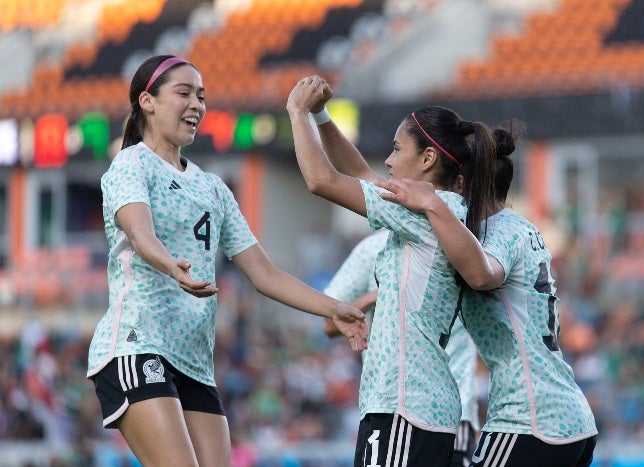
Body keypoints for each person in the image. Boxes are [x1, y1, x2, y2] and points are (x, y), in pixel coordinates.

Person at [86, 55, 368, 467]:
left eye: (201, 96)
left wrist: (335, 308)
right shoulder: (131, 163)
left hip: (195, 364)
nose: (197, 105)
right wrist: (171, 266)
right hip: (136, 346)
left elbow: (265, 274)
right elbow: (140, 233)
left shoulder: (213, 188)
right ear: (147, 101)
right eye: (183, 93)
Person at [287, 75, 495, 466]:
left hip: (403, 405)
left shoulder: (422, 212)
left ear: (427, 159)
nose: (388, 159)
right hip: (427, 408)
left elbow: (322, 180)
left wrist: (297, 112)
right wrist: (322, 116)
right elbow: (363, 175)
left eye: (397, 149)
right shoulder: (441, 211)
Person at [376, 125, 598, 466]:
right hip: (570, 419)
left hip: (528, 421)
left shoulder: (495, 232)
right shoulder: (522, 228)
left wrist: (433, 205)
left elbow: (482, 275)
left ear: (462, 184)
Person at [323, 229, 480, 465]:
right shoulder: (373, 248)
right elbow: (329, 323)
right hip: (395, 406)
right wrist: (371, 297)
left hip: (454, 410)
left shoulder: (461, 238)